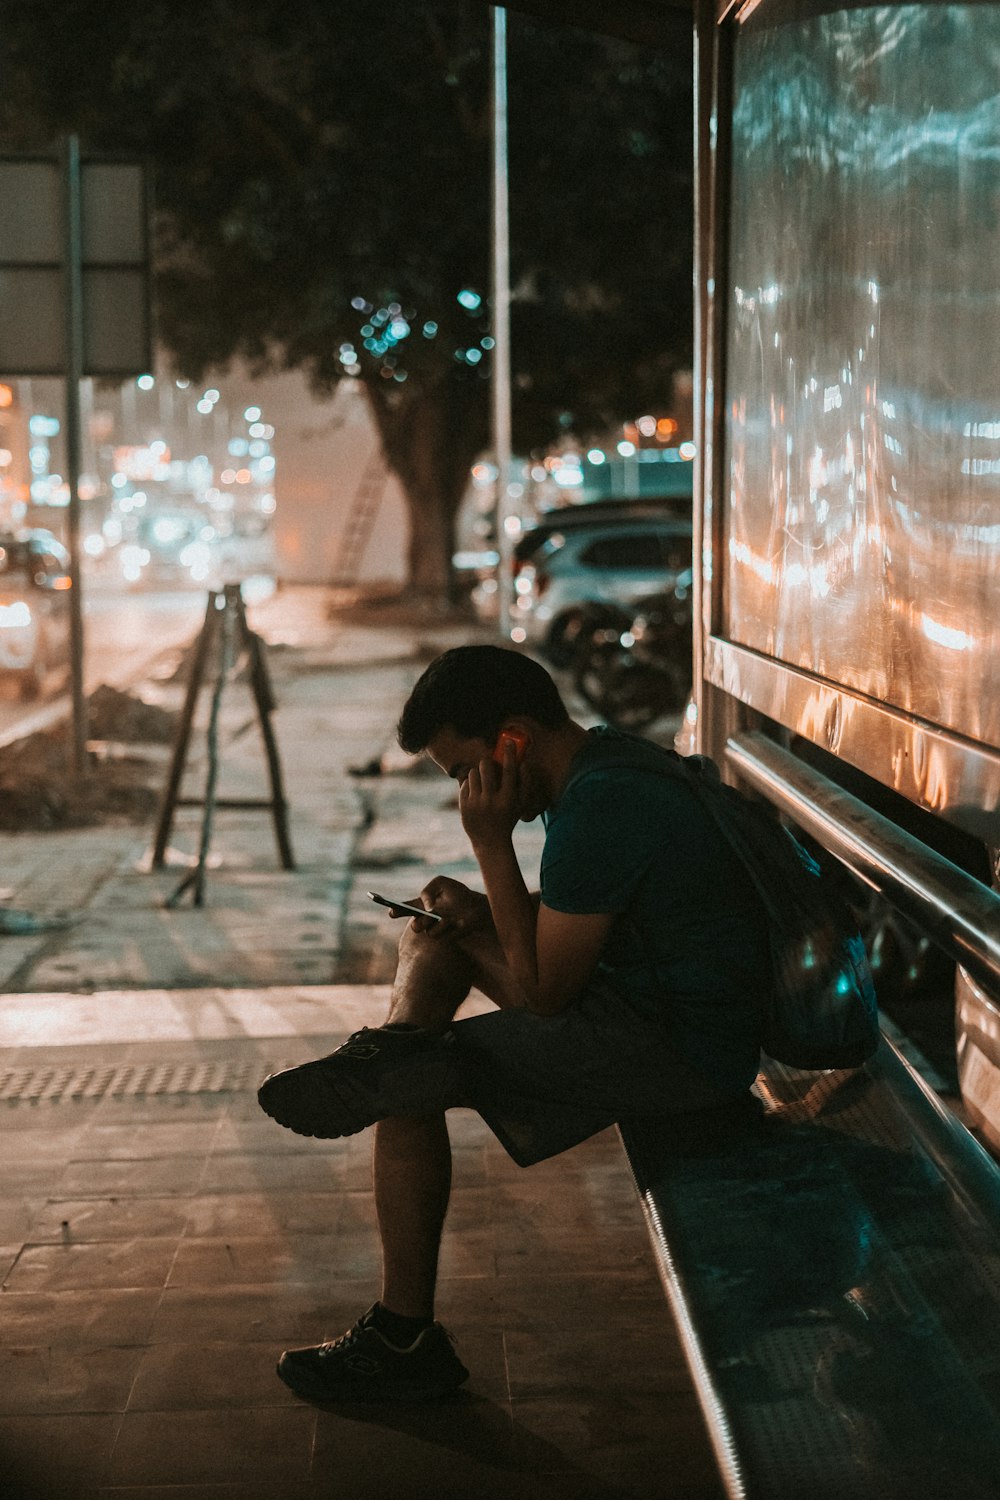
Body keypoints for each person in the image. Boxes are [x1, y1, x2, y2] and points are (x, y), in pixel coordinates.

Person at [258, 644, 772, 1403]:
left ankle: (403, 1337)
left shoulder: (601, 807)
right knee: (441, 925)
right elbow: (583, 936)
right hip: (658, 1012)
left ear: (514, 738)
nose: (468, 792)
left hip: (682, 1054)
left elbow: (546, 992)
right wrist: (483, 911)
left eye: (467, 770)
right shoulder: (610, 765)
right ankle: (393, 1047)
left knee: (403, 1086)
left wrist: (491, 844)